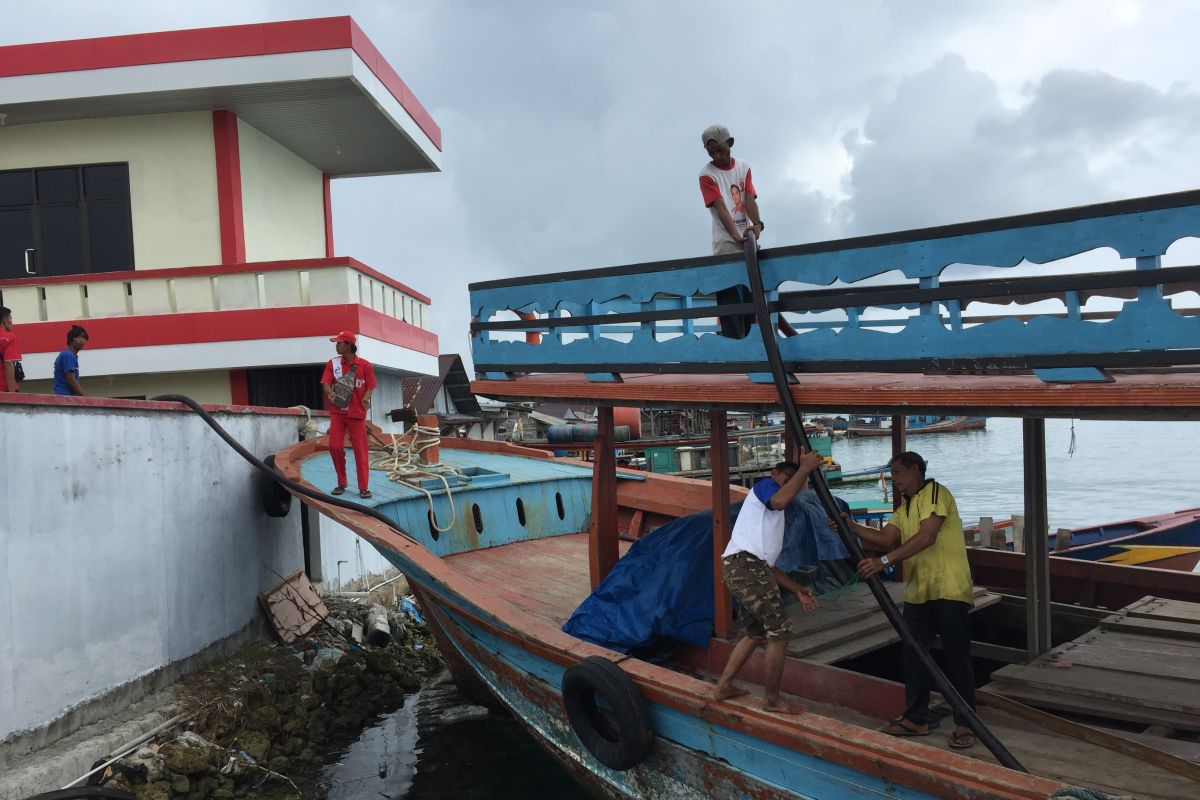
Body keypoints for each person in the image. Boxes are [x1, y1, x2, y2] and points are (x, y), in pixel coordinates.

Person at [840, 451, 977, 749]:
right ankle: (916, 718)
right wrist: (849, 527)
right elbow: (886, 538)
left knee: (956, 656)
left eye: (899, 474)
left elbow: (927, 536)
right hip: (920, 590)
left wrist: (884, 562)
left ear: (916, 470)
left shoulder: (936, 494)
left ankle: (966, 723)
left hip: (949, 587)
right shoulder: (905, 507)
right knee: (914, 652)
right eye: (893, 477)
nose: (896, 481)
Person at [710, 450, 824, 714]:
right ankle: (772, 699)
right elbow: (780, 501)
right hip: (744, 567)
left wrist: (796, 589)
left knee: (756, 632)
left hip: (745, 567)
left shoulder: (768, 519)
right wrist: (804, 469)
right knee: (780, 631)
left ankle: (723, 686)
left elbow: (767, 566)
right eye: (788, 479)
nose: (790, 486)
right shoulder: (765, 486)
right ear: (775, 475)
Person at [320, 331, 377, 498]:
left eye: (339, 343)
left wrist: (366, 398)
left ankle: (363, 487)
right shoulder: (333, 363)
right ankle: (342, 482)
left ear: (348, 345)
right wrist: (330, 392)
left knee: (360, 451)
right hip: (338, 412)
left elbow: (370, 387)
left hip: (356, 414)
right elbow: (326, 383)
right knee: (334, 446)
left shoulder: (365, 365)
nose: (336, 346)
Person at [699, 124, 764, 256]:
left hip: (748, 240)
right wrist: (736, 237)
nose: (717, 156)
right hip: (727, 243)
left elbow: (749, 198)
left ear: (730, 143)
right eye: (712, 152)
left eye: (720, 149)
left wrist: (757, 224)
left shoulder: (743, 167)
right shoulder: (707, 175)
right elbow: (721, 208)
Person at [53, 325, 89, 396]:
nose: (82, 340)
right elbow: (71, 380)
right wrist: (86, 398)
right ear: (71, 339)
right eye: (79, 337)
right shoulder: (67, 355)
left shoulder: (71, 355)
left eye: (84, 338)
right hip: (65, 398)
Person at [0, 306, 21, 393]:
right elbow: (9, 363)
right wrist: (12, 394)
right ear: (4, 320)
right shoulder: (10, 338)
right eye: (10, 318)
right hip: (4, 389)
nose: (11, 321)